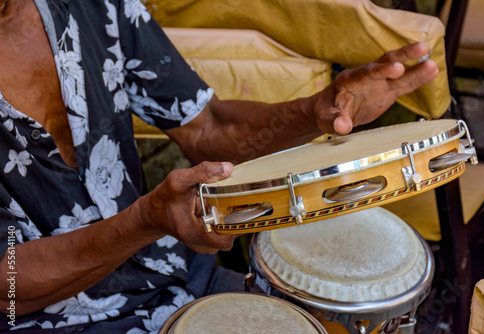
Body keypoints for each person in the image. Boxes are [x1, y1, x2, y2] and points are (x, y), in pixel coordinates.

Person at [0, 0, 438, 332]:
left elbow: (208, 126)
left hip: (171, 275)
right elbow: (9, 286)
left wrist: (317, 111)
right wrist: (146, 221)